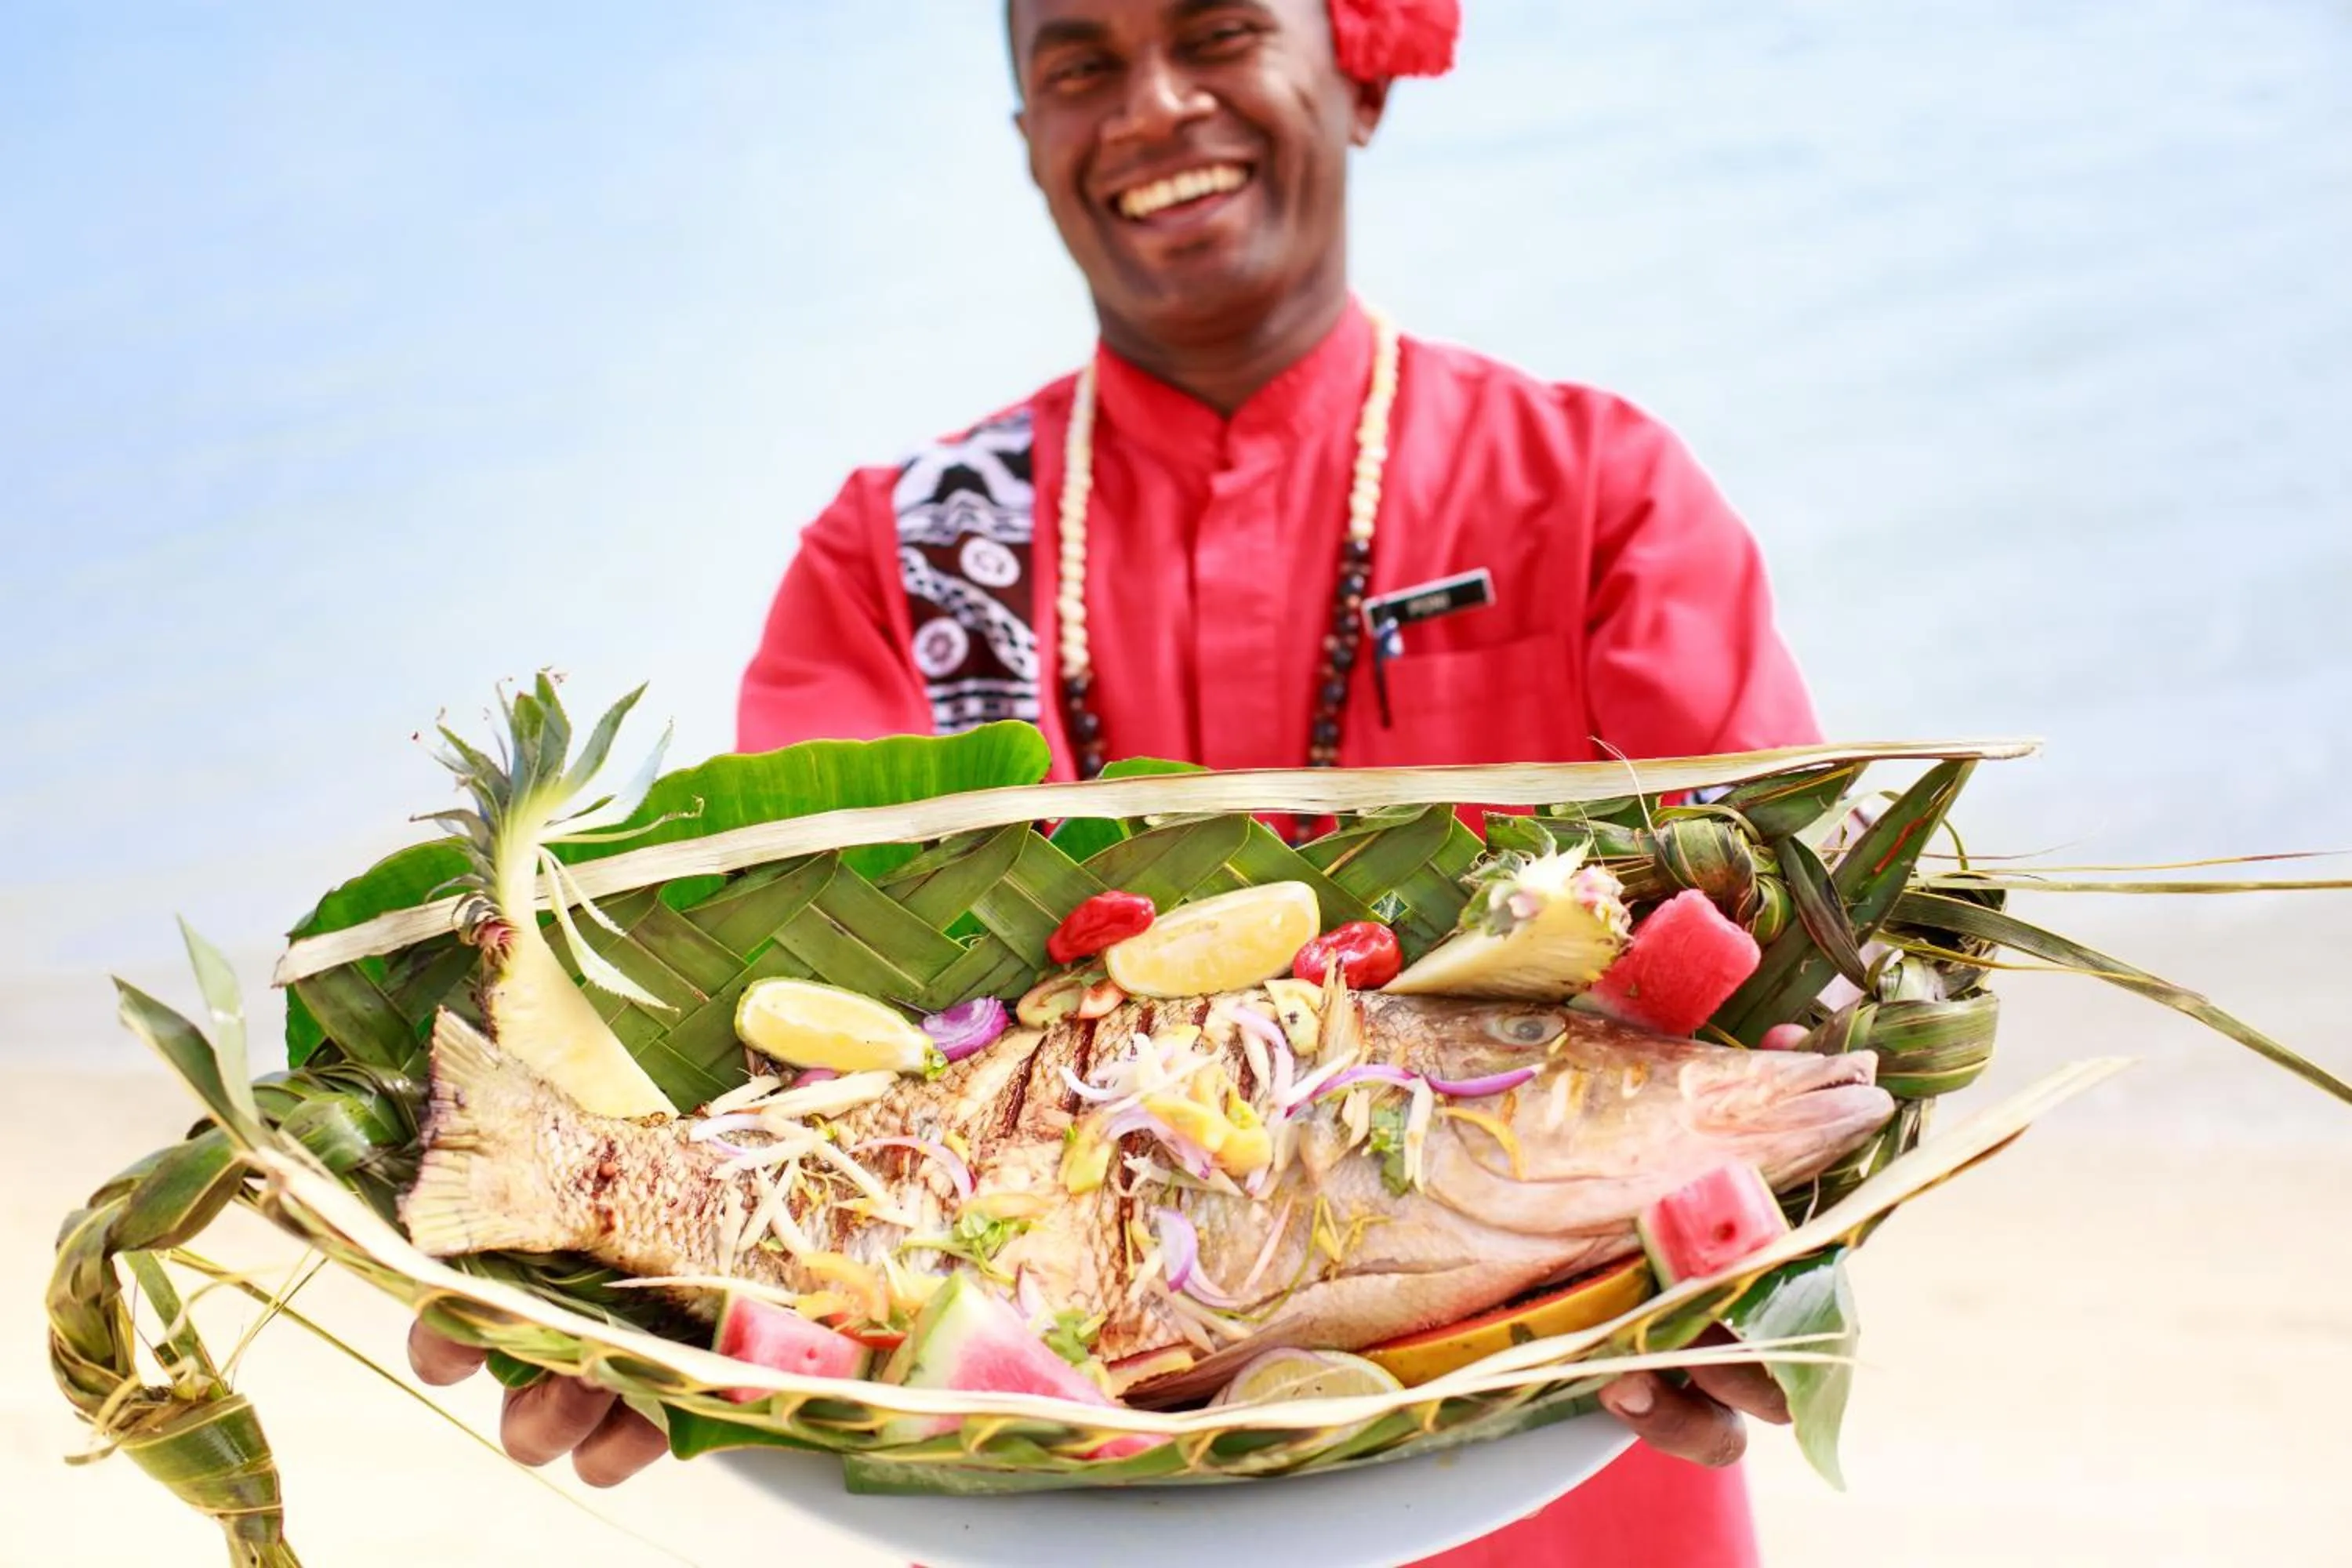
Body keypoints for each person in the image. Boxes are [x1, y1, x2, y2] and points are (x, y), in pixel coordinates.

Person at [414, 2, 1820, 1562]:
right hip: (1046, 1504)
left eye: (1218, 32)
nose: (1153, 107)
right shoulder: (893, 564)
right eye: (1080, 64)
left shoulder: (1600, 496)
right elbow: (779, 1043)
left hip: (1566, 1471)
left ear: (1358, 76)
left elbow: (1789, 982)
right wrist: (638, 1319)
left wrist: (1782, 1271)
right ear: (1029, 139)